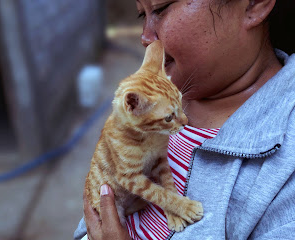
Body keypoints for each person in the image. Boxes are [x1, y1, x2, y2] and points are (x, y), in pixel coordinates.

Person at [74, 0, 295, 239]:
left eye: (160, 9)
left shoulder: (286, 172)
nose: (146, 37)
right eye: (142, 15)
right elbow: (94, 218)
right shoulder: (163, 95)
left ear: (253, 4)